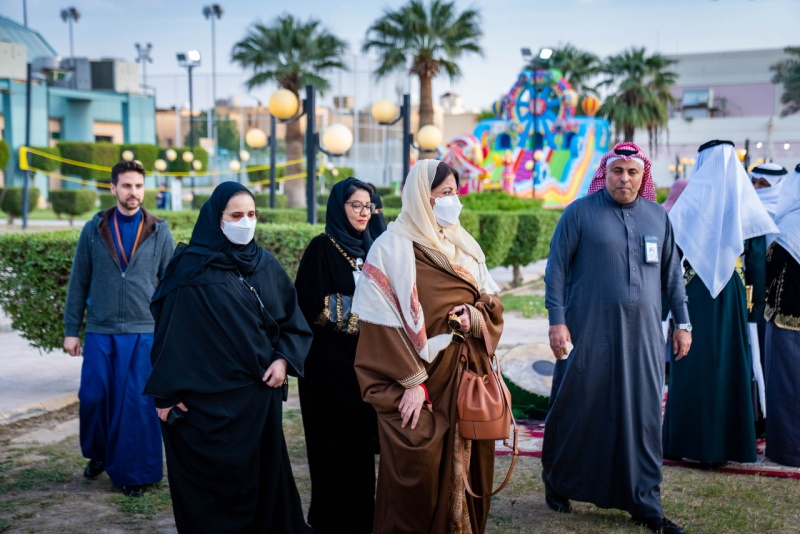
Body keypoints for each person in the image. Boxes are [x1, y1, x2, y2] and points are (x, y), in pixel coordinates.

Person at [143, 181, 313, 533]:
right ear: (216, 218)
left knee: (261, 482)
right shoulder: (189, 268)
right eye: (236, 215)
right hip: (205, 405)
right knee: (212, 492)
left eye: (251, 214)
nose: (245, 222)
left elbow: (292, 322)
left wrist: (283, 360)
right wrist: (166, 395)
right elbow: (169, 335)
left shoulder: (264, 264)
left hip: (257, 400)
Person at [542, 142, 692, 534]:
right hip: (587, 332)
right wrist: (557, 322)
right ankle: (559, 483)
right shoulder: (579, 213)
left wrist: (683, 322)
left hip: (643, 337)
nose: (624, 178)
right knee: (578, 406)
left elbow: (672, 276)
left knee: (642, 414)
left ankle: (645, 502)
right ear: (605, 173)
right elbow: (556, 270)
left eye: (632, 172)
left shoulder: (657, 217)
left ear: (643, 176)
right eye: (617, 171)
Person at [352, 159, 503, 534]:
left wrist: (475, 316)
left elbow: (491, 301)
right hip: (421, 382)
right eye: (445, 193)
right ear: (422, 196)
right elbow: (379, 324)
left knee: (473, 465)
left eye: (456, 192)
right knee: (417, 473)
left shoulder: (464, 244)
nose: (454, 201)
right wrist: (412, 382)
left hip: (467, 377)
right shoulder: (390, 248)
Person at [63, 160, 174, 498]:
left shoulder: (159, 230)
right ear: (113, 188)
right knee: (93, 397)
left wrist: (171, 332)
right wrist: (71, 330)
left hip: (143, 331)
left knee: (135, 406)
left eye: (138, 186)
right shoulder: (94, 229)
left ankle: (135, 473)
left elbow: (172, 284)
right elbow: (79, 281)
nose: (133, 192)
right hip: (101, 329)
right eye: (126, 186)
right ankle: (99, 452)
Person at [663, 140, 778, 467]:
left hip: (691, 292)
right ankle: (724, 446)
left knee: (689, 361)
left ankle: (680, 442)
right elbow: (756, 263)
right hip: (731, 295)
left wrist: (667, 305)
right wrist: (755, 311)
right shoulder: (746, 203)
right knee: (727, 362)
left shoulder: (688, 204)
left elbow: (671, 261)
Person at [295, 178, 379, 533]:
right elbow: (313, 306)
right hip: (326, 370)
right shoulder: (322, 248)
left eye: (368, 206)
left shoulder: (372, 248)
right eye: (355, 205)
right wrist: (367, 316)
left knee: (361, 448)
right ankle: (329, 522)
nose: (363, 212)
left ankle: (362, 520)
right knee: (331, 448)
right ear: (338, 207)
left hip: (364, 366)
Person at [764, 163, 800, 467]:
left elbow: (769, 269)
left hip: (786, 323)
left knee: (787, 385)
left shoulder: (787, 228)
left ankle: (789, 451)